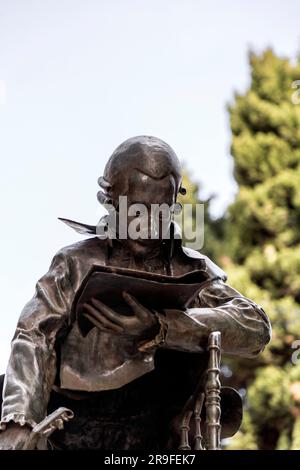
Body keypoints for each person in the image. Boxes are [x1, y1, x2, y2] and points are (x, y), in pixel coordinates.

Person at [0, 136, 271, 450]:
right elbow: (34, 334)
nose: (151, 223)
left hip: (158, 429)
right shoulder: (75, 262)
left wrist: (163, 326)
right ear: (111, 198)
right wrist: (19, 421)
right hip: (74, 424)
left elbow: (255, 327)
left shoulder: (191, 270)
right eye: (138, 209)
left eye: (163, 210)